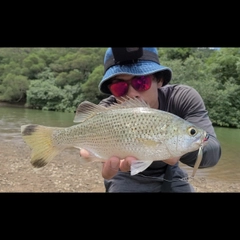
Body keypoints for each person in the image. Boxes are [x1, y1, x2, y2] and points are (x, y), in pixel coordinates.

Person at [79, 47, 221, 192]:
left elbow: (213, 151)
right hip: (125, 172)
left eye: (141, 82)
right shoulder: (107, 111)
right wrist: (97, 157)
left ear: (159, 80)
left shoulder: (182, 98)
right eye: (119, 87)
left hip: (169, 170)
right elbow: (96, 153)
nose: (133, 94)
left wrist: (178, 149)